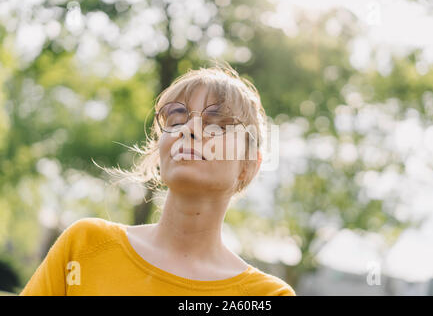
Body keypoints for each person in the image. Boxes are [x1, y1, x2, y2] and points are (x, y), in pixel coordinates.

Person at [20, 63, 296, 296]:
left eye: (216, 125)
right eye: (176, 120)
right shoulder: (85, 245)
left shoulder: (267, 295)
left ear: (249, 165)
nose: (188, 129)